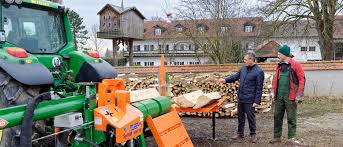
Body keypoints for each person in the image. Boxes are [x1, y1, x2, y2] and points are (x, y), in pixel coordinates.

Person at [219, 52, 264, 143]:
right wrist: (225, 80)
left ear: (251, 60)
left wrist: (256, 101)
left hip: (250, 99)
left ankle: (253, 134)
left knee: (251, 117)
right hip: (241, 97)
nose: (244, 61)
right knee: (240, 116)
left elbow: (259, 88)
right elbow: (235, 76)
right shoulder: (243, 68)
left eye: (246, 60)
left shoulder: (259, 72)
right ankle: (240, 133)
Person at [269, 45, 305, 144]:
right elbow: (276, 79)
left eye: (279, 54)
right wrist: (273, 91)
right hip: (279, 95)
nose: (278, 56)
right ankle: (277, 137)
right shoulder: (279, 65)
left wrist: (300, 94)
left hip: (291, 96)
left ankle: (291, 138)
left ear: (285, 54)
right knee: (277, 116)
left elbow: (302, 79)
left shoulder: (296, 64)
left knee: (291, 118)